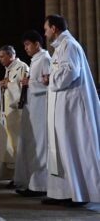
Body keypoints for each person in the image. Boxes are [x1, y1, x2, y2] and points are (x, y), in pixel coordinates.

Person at [42, 14, 100, 207]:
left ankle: (80, 193)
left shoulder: (70, 45)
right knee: (62, 148)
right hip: (63, 106)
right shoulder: (61, 47)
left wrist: (51, 79)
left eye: (46, 29)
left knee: (74, 147)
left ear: (55, 28)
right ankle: (64, 192)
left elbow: (71, 72)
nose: (45, 32)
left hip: (73, 107)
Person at [14, 30, 50, 197]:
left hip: (41, 109)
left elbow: (49, 84)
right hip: (32, 108)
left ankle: (40, 186)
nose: (26, 48)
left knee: (40, 147)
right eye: (24, 45)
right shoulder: (35, 60)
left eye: (28, 44)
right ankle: (32, 183)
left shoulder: (45, 59)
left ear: (37, 44)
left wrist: (30, 83)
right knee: (31, 146)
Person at [0, 45, 29, 185]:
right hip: (7, 113)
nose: (0, 60)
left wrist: (7, 84)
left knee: (17, 145)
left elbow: (24, 90)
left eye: (2, 56)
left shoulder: (22, 67)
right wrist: (3, 85)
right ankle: (13, 176)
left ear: (11, 55)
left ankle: (20, 177)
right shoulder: (8, 70)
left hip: (17, 113)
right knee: (9, 145)